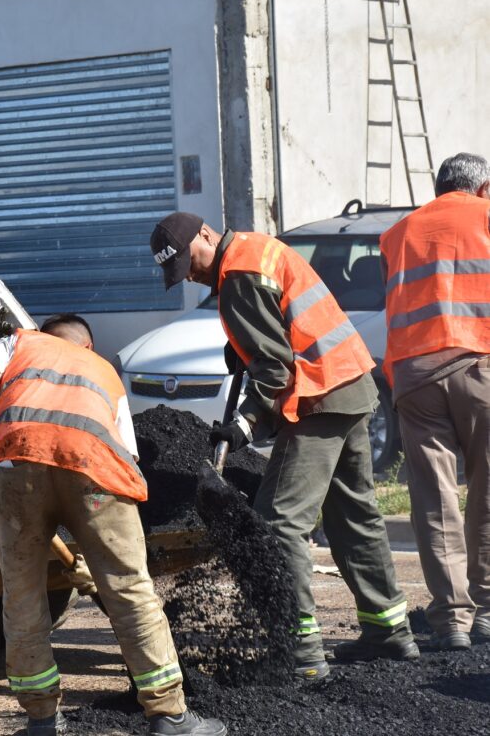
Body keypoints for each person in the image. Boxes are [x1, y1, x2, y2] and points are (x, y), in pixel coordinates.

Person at [150, 212, 417, 680]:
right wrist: (248, 349)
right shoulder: (256, 248)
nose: (191, 276)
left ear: (206, 234)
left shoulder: (238, 277)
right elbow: (285, 330)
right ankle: (389, 629)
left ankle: (300, 650)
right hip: (350, 383)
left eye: (189, 263)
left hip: (318, 397)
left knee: (278, 524)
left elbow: (275, 370)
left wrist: (245, 425)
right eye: (181, 275)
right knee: (354, 515)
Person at [0, 314, 226, 736]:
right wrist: (101, 554)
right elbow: (127, 455)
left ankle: (42, 720)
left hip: (17, 463)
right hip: (96, 469)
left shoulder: (20, 344)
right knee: (130, 590)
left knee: (23, 595)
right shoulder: (103, 371)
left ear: (44, 337)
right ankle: (168, 715)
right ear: (87, 346)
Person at [379, 152, 490, 651]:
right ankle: (488, 613)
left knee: (434, 500)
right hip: (480, 365)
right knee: (486, 493)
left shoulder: (397, 233)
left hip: (415, 373)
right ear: (483, 188)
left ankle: (451, 622)